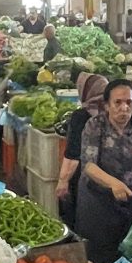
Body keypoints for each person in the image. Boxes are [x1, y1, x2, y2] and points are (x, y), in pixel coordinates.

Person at [76, 79, 132, 263]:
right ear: (107, 105)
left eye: (129, 102)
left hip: (130, 203)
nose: (124, 108)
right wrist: (114, 184)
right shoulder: (95, 126)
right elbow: (88, 165)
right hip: (98, 203)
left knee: (128, 254)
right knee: (99, 260)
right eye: (118, 102)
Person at [56, 73, 108, 229]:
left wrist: (63, 180)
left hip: (84, 177)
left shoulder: (81, 116)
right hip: (109, 176)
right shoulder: (112, 111)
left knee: (81, 219)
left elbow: (73, 154)